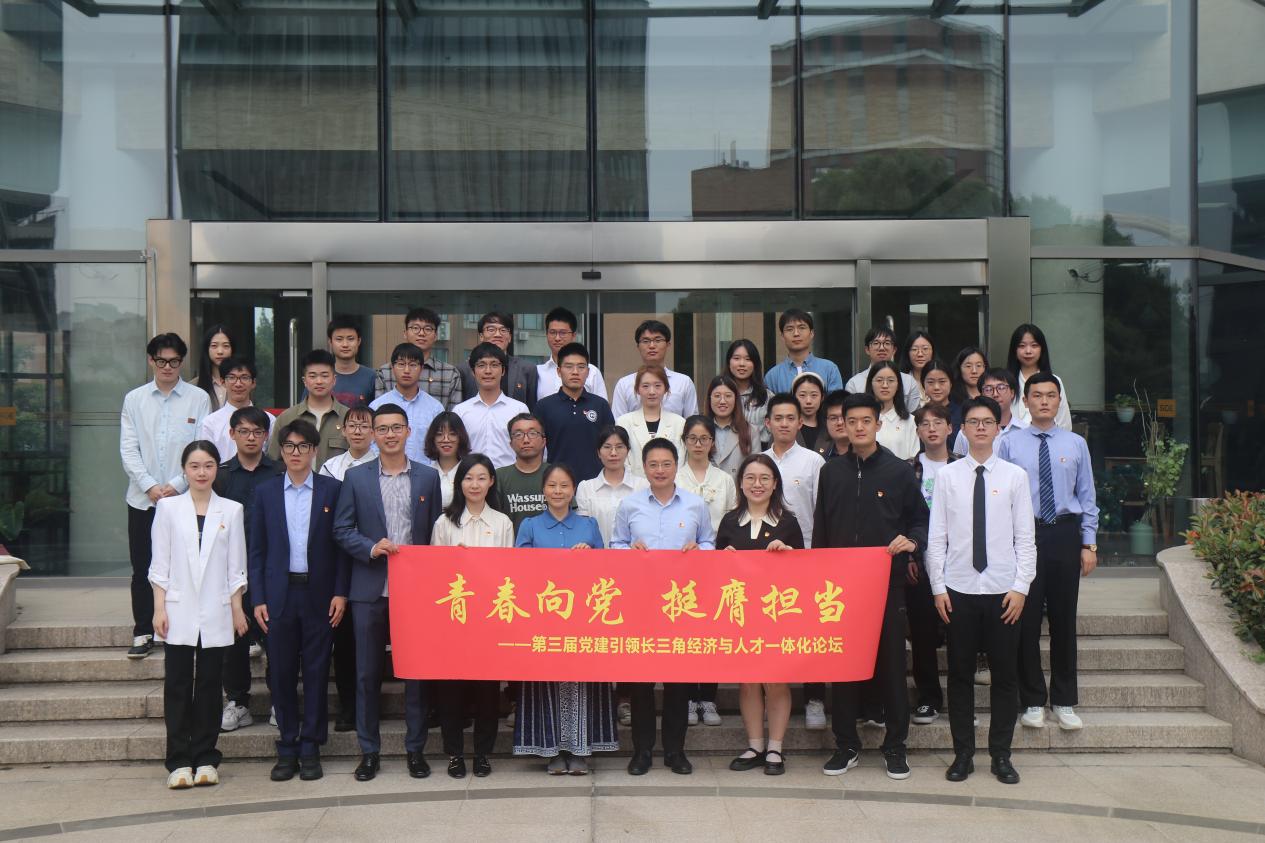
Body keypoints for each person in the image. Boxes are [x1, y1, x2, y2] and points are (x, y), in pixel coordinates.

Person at [813, 394, 927, 780]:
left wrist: (913, 542)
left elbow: (920, 520)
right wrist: (819, 578)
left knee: (892, 666)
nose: (859, 427)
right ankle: (846, 744)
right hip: (840, 588)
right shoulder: (831, 472)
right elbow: (821, 527)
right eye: (852, 421)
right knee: (843, 666)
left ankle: (895, 746)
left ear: (878, 424)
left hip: (886, 584)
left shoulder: (898, 471)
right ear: (842, 425)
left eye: (866, 420)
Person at [925, 396, 1036, 785]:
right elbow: (936, 537)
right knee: (959, 676)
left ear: (998, 428)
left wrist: (1021, 587)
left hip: (1004, 592)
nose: (981, 428)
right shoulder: (947, 476)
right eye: (973, 422)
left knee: (1005, 677)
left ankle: (1001, 755)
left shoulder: (1015, 476)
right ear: (963, 429)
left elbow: (1026, 538)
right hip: (959, 590)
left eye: (988, 422)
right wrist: (938, 587)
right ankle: (963, 755)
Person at [333, 403, 444, 782]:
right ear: (372, 434)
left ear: (409, 431)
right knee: (367, 674)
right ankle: (369, 752)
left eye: (397, 427)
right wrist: (369, 547)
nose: (390, 434)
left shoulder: (428, 478)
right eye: (382, 428)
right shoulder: (356, 478)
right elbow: (341, 529)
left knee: (415, 674)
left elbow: (434, 533)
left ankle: (416, 750)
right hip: (369, 588)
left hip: (415, 591)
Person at [249, 420, 350, 782]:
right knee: (281, 674)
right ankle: (287, 746)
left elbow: (341, 547)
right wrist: (258, 598)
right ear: (281, 451)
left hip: (319, 596)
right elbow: (256, 551)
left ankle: (311, 747)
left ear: (314, 451)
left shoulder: (332, 490)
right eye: (289, 446)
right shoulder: (265, 492)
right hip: (279, 596)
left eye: (303, 446)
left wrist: (341, 591)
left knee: (318, 673)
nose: (296, 453)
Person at [998, 372, 1098, 732]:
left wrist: (1088, 543)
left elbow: (1087, 496)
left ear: (1059, 401)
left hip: (1065, 535)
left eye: (1050, 395)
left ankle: (1064, 700)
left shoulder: (1076, 443)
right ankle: (1032, 700)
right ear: (1025, 401)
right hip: (1025, 535)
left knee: (1063, 619)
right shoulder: (1009, 444)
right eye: (1037, 395)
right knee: (1025, 622)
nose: (1043, 401)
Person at [611, 438, 715, 776]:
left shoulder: (695, 505)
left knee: (678, 683)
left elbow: (709, 542)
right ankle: (641, 751)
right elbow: (615, 543)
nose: (660, 470)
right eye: (653, 464)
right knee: (641, 684)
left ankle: (675, 751)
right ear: (644, 467)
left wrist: (700, 551)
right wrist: (629, 551)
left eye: (666, 464)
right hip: (640, 604)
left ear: (676, 465)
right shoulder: (630, 505)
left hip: (681, 605)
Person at [148, 440, 247, 789]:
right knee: (176, 684)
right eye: (194, 466)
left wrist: (237, 610)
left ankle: (205, 757)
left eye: (208, 465)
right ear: (184, 470)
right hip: (177, 608)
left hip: (217, 609)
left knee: (209, 684)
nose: (201, 472)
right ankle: (178, 761)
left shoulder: (231, 510)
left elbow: (236, 567)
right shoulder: (168, 508)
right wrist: (159, 608)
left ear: (217, 468)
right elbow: (159, 565)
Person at [513, 464, 617, 774]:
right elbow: (518, 570)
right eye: (552, 486)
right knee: (545, 683)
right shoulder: (530, 526)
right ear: (543, 491)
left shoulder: (589, 525)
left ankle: (580, 750)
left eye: (564, 486)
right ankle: (552, 751)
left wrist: (590, 555)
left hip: (583, 619)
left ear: (573, 491)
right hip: (542, 618)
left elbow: (606, 572)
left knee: (582, 682)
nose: (558, 491)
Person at [120, 333, 211, 659]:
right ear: (151, 361)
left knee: (185, 565)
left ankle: (182, 628)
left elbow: (201, 447)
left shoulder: (198, 398)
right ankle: (143, 630)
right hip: (142, 498)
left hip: (184, 496)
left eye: (174, 361)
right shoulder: (134, 399)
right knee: (142, 566)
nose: (168, 367)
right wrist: (150, 486)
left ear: (181, 362)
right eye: (161, 361)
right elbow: (128, 449)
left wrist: (176, 484)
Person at [718, 453, 803, 775]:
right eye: (750, 478)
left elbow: (805, 573)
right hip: (740, 615)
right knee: (748, 682)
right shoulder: (729, 522)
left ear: (775, 483)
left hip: (776, 616)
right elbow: (715, 574)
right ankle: (755, 745)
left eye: (765, 478)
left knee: (776, 681)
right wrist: (722, 558)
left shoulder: (788, 523)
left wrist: (789, 554)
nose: (757, 484)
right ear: (740, 484)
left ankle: (775, 748)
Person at [431, 454, 515, 778]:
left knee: (486, 692)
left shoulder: (502, 523)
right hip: (453, 620)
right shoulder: (444, 523)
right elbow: (434, 572)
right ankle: (454, 753)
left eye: (481, 478)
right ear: (459, 483)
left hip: (489, 620)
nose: (475, 484)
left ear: (491, 481)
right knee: (450, 691)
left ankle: (482, 753)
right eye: (468, 478)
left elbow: (509, 573)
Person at [213, 406, 284, 733]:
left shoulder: (280, 472)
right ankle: (237, 701)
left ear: (266, 435)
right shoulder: (221, 476)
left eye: (257, 432)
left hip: (272, 568)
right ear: (232, 434)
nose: (251, 437)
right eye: (243, 431)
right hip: (231, 570)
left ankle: (279, 700)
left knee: (276, 637)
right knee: (234, 640)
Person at [574, 424, 647, 730]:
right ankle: (601, 698)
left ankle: (626, 698)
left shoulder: (642, 485)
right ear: (598, 452)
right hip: (595, 573)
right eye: (607, 447)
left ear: (628, 451)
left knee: (629, 637)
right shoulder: (586, 487)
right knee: (599, 637)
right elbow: (584, 527)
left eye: (619, 447)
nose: (613, 453)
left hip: (634, 572)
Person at [675, 415, 736, 728]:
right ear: (684, 441)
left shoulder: (724, 480)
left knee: (711, 633)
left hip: (715, 564)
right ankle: (687, 697)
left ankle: (708, 698)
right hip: (680, 567)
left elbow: (732, 520)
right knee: (685, 632)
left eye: (704, 439)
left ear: (713, 442)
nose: (698, 444)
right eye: (692, 438)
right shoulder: (675, 477)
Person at [317, 403, 375, 732]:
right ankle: (348, 705)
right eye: (352, 425)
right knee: (344, 638)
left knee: (372, 639)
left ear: (374, 432)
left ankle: (369, 704)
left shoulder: (382, 464)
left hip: (373, 558)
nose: (357, 431)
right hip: (339, 558)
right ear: (343, 430)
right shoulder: (331, 467)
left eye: (364, 426)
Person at [906, 403, 958, 726]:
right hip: (921, 561)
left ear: (950, 428)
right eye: (925, 424)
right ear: (918, 432)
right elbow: (903, 517)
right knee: (922, 633)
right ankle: (928, 698)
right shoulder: (907, 470)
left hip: (960, 563)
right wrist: (910, 557)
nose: (932, 429)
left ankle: (961, 701)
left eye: (938, 422)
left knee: (960, 633)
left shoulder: (965, 466)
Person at [535, 342, 615, 482]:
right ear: (559, 371)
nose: (575, 372)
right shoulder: (544, 406)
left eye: (581, 367)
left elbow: (611, 444)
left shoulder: (600, 405)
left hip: (595, 483)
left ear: (588, 372)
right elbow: (537, 449)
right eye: (569, 366)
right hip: (557, 483)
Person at [453, 343, 530, 469]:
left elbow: (527, 450)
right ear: (473, 371)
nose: (488, 371)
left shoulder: (519, 409)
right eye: (481, 365)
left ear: (503, 370)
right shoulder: (460, 411)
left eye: (494, 365)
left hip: (508, 479)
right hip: (471, 478)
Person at [268, 350, 348, 471]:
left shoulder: (347, 417)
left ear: (334, 380)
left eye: (325, 376)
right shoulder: (287, 418)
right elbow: (274, 461)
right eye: (312, 376)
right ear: (304, 381)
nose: (319, 381)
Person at [762, 393, 823, 549]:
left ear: (800, 423)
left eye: (790, 418)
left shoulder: (814, 461)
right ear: (768, 423)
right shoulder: (758, 462)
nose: (784, 424)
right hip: (763, 547)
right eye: (778, 418)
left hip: (803, 546)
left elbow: (822, 511)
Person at [374, 307, 462, 410]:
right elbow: (379, 411)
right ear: (405, 333)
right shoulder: (385, 372)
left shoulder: (450, 374)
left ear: (435, 336)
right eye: (415, 328)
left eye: (428, 329)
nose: (421, 333)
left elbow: (453, 414)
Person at [370, 343, 444, 464]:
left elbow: (439, 445)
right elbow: (370, 445)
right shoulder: (377, 406)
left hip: (425, 473)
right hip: (384, 471)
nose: (406, 370)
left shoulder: (435, 408)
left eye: (413, 365)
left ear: (421, 368)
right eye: (401, 364)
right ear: (392, 367)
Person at [610, 320, 699, 418]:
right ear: (638, 346)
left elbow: (692, 423)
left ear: (668, 344)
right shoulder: (624, 384)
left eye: (658, 340)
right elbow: (618, 423)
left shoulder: (684, 382)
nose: (652, 346)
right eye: (646, 341)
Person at [456, 311, 538, 409]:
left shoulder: (527, 369)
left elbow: (532, 408)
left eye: (503, 330)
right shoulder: (463, 370)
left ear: (510, 337)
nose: (498, 334)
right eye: (491, 329)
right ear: (481, 336)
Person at [616, 365, 686, 478]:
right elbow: (622, 462)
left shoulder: (679, 423)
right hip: (634, 486)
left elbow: (681, 462)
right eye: (645, 386)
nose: (652, 392)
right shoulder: (623, 423)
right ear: (637, 389)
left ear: (665, 389)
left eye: (658, 386)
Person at [200, 357, 272, 462]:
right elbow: (206, 460)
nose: (238, 384)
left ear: (253, 383)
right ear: (222, 382)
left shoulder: (269, 420)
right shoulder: (210, 423)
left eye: (244, 377)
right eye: (232, 377)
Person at [1007, 323, 1073, 431]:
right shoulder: (1005, 382)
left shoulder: (1054, 381)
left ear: (1042, 349)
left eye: (1034, 345)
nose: (1028, 351)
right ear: (1014, 350)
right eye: (1022, 346)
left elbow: (1063, 422)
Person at [536, 307, 608, 402]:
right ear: (547, 334)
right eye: (552, 332)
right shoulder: (537, 372)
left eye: (563, 333)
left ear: (573, 335)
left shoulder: (592, 372)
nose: (557, 338)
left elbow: (601, 406)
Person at [764, 309, 844, 394]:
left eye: (802, 328)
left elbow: (836, 401)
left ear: (811, 333)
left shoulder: (829, 369)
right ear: (782, 336)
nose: (796, 334)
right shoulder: (772, 376)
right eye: (790, 329)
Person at [952, 368, 1027, 456]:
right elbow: (958, 462)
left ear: (1012, 393)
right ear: (981, 394)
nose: (995, 394)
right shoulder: (966, 432)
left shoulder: (1025, 430)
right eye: (988, 389)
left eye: (1001, 388)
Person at [496, 413, 549, 533]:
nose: (526, 440)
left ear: (543, 441)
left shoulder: (557, 474)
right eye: (518, 435)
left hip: (551, 544)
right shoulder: (499, 477)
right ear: (511, 444)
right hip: (509, 543)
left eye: (532, 433)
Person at [845, 327, 921, 412]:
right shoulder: (854, 383)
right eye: (876, 343)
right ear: (867, 350)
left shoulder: (909, 382)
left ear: (894, 350)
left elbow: (914, 416)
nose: (881, 348)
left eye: (887, 343)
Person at [703, 375, 756, 480]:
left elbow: (755, 470)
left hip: (737, 489)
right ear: (710, 399)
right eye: (717, 396)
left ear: (736, 399)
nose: (722, 401)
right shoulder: (700, 429)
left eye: (728, 396)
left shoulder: (751, 431)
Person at [868, 361, 920, 460]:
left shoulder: (911, 421)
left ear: (898, 385)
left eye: (891, 380)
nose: (885, 385)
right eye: (879, 380)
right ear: (871, 384)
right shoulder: (862, 420)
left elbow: (914, 459)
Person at [724, 339, 770, 447]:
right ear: (729, 362)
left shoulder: (767, 397)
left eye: (748, 359)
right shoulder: (719, 394)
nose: (742, 364)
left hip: (758, 451)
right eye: (736, 358)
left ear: (755, 364)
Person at [326, 316, 378, 408]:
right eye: (339, 339)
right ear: (330, 342)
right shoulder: (321, 376)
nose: (345, 344)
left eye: (350, 339)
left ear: (359, 341)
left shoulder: (372, 377)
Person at [423, 411, 470, 507]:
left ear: (461, 437)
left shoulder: (470, 473)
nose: (446, 439)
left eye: (452, 434)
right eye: (439, 434)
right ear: (433, 438)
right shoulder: (424, 474)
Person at [920, 359, 962, 445]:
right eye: (930, 382)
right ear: (923, 385)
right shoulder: (917, 416)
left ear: (951, 384)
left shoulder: (963, 414)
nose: (936, 387)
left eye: (942, 381)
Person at [196, 324, 234, 411]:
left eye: (226, 346)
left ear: (232, 350)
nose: (220, 351)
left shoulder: (242, 384)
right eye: (214, 346)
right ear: (207, 349)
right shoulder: (194, 385)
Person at [793, 372, 829, 451]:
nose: (808, 401)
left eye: (814, 395)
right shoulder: (786, 427)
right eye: (802, 395)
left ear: (822, 397)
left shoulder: (829, 427)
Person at [819, 389, 850, 460]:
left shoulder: (869, 455)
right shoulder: (820, 458)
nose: (840, 422)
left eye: (844, 416)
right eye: (833, 418)